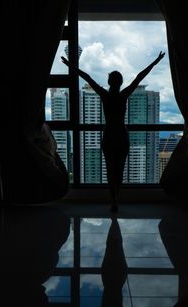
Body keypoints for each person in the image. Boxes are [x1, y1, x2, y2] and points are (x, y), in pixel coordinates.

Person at [61, 51, 165, 212]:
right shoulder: (123, 95)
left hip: (109, 135)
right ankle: (117, 197)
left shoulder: (104, 95)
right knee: (120, 169)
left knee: (110, 169)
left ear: (109, 82)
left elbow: (87, 77)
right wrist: (156, 61)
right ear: (121, 82)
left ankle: (113, 200)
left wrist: (70, 66)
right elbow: (139, 77)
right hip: (122, 135)